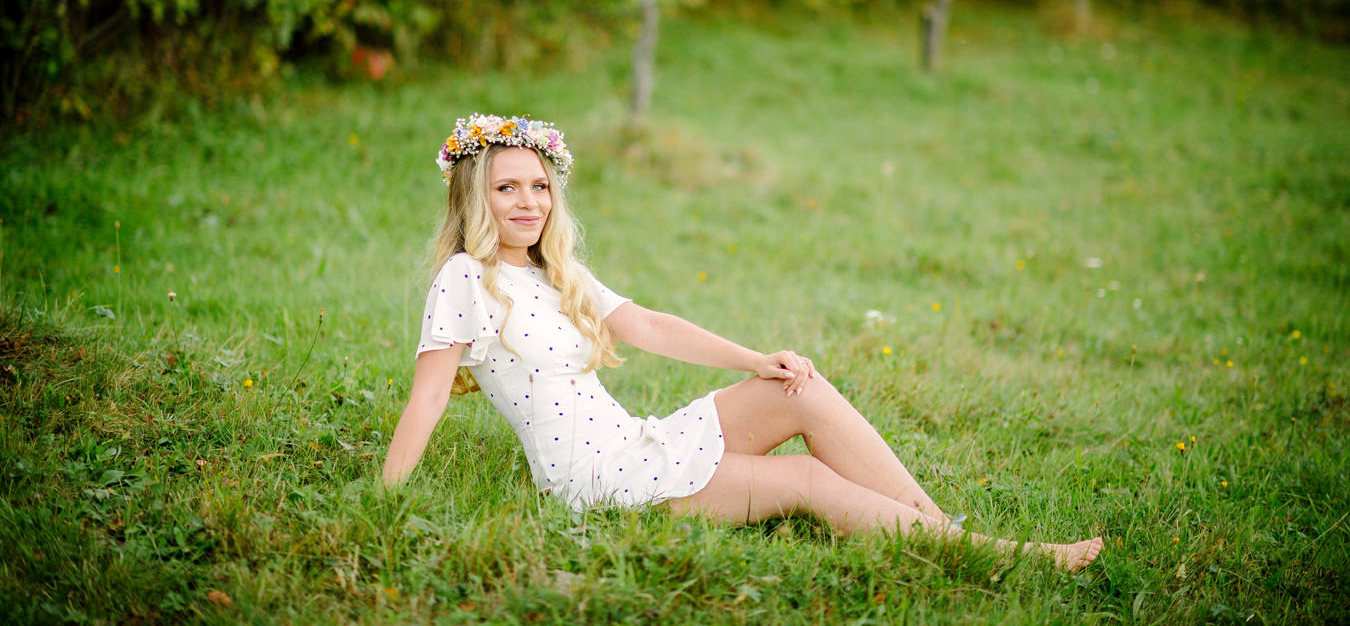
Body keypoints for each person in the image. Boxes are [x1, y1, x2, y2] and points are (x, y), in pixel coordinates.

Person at [382, 114, 1102, 572]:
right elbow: (428, 398)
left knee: (797, 389)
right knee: (807, 481)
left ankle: (940, 530)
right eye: (508, 189)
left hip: (636, 442)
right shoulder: (464, 279)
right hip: (598, 484)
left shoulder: (553, 271)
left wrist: (756, 360)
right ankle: (1004, 558)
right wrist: (385, 503)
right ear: (476, 196)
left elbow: (649, 326)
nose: (529, 202)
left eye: (539, 186)